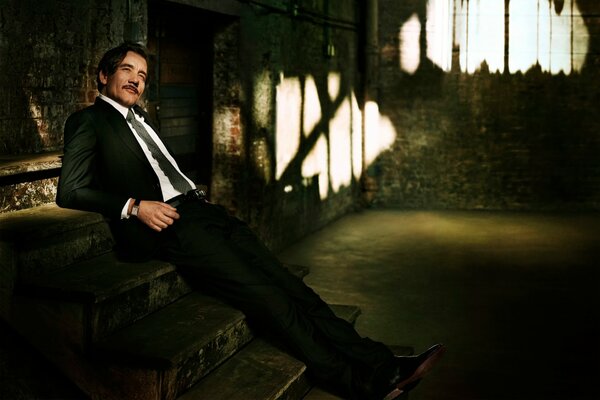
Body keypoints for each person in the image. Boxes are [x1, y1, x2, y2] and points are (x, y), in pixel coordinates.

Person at [56, 42, 444, 400]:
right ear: (104, 75)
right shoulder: (88, 121)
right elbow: (70, 190)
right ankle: (362, 384)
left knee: (292, 288)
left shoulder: (141, 118)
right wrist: (135, 206)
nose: (136, 80)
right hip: (172, 224)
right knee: (269, 298)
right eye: (127, 70)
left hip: (204, 212)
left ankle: (385, 365)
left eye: (142, 75)